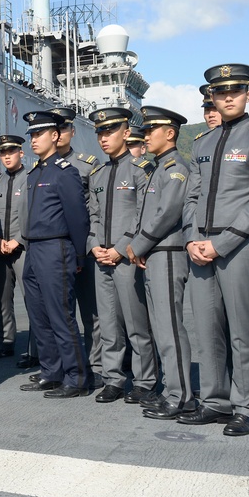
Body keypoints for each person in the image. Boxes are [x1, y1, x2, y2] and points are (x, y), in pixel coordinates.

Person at [180, 64, 249, 436]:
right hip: (199, 246)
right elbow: (191, 197)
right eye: (220, 92)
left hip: (236, 246)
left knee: (242, 330)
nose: (227, 97)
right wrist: (192, 238)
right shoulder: (203, 143)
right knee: (208, 330)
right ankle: (215, 401)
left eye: (234, 91)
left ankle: (248, 405)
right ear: (213, 97)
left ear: (247, 95)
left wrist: (220, 243)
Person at [125, 106, 194, 420]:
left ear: (170, 133)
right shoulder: (156, 168)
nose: (146, 135)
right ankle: (172, 391)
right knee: (160, 328)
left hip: (167, 254)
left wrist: (137, 245)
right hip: (154, 254)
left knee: (169, 329)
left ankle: (180, 396)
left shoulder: (175, 168)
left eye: (152, 129)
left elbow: (168, 213)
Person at [87, 107, 157, 405]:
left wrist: (119, 249)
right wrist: (93, 244)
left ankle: (144, 380)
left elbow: (143, 215)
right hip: (101, 257)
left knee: (135, 320)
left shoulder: (142, 171)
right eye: (100, 132)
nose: (104, 138)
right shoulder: (97, 174)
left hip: (126, 257)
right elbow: (93, 214)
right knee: (108, 322)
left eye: (110, 131)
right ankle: (113, 378)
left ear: (126, 133)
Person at [17, 111, 90, 398]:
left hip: (56, 248)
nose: (34, 140)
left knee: (61, 315)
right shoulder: (35, 173)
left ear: (55, 136)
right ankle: (52, 371)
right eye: (32, 135)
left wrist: (79, 256)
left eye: (39, 134)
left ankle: (77, 377)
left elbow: (77, 218)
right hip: (34, 249)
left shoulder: (65, 172)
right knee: (39, 316)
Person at [48, 106, 101, 381]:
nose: (58, 135)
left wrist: (88, 245)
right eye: (53, 130)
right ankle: (59, 366)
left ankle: (96, 366)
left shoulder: (87, 164)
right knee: (54, 310)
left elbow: (94, 209)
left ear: (71, 131)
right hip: (54, 250)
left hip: (81, 247)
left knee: (89, 310)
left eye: (64, 129)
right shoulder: (40, 168)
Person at [0, 134, 27, 359]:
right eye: (3, 153)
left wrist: (18, 240)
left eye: (11, 152)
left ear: (20, 153)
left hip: (23, 248)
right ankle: (4, 343)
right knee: (1, 298)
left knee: (32, 299)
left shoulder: (30, 179)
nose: (7, 156)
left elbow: (34, 215)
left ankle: (36, 350)